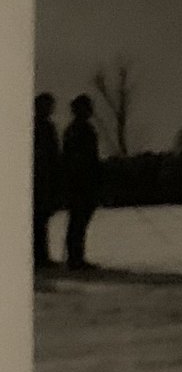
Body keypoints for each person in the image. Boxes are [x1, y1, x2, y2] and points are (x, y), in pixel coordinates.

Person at [62, 94, 102, 271]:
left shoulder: (79, 129)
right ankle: (75, 258)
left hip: (83, 181)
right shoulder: (78, 130)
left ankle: (77, 256)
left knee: (79, 221)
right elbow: (79, 159)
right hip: (79, 182)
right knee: (78, 221)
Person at [32, 92, 62, 270]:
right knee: (38, 220)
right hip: (41, 180)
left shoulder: (47, 127)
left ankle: (42, 255)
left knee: (41, 220)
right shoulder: (40, 127)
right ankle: (39, 257)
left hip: (46, 179)